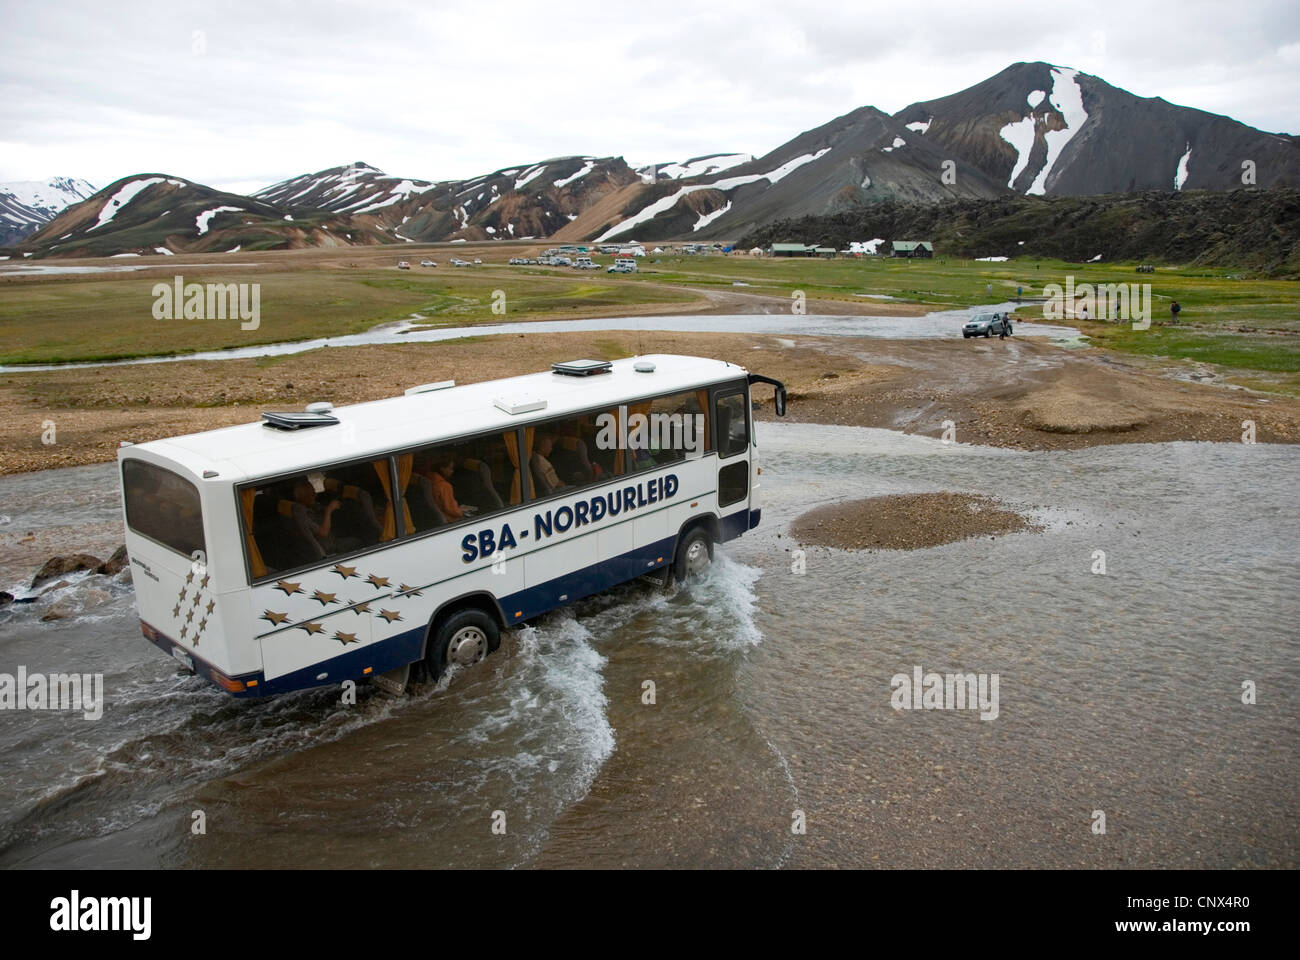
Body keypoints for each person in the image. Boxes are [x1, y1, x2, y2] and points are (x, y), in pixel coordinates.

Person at [429, 457, 470, 521]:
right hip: (449, 519)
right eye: (450, 468)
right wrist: (460, 512)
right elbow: (450, 509)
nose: (452, 471)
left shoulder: (429, 480)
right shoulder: (444, 486)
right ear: (442, 469)